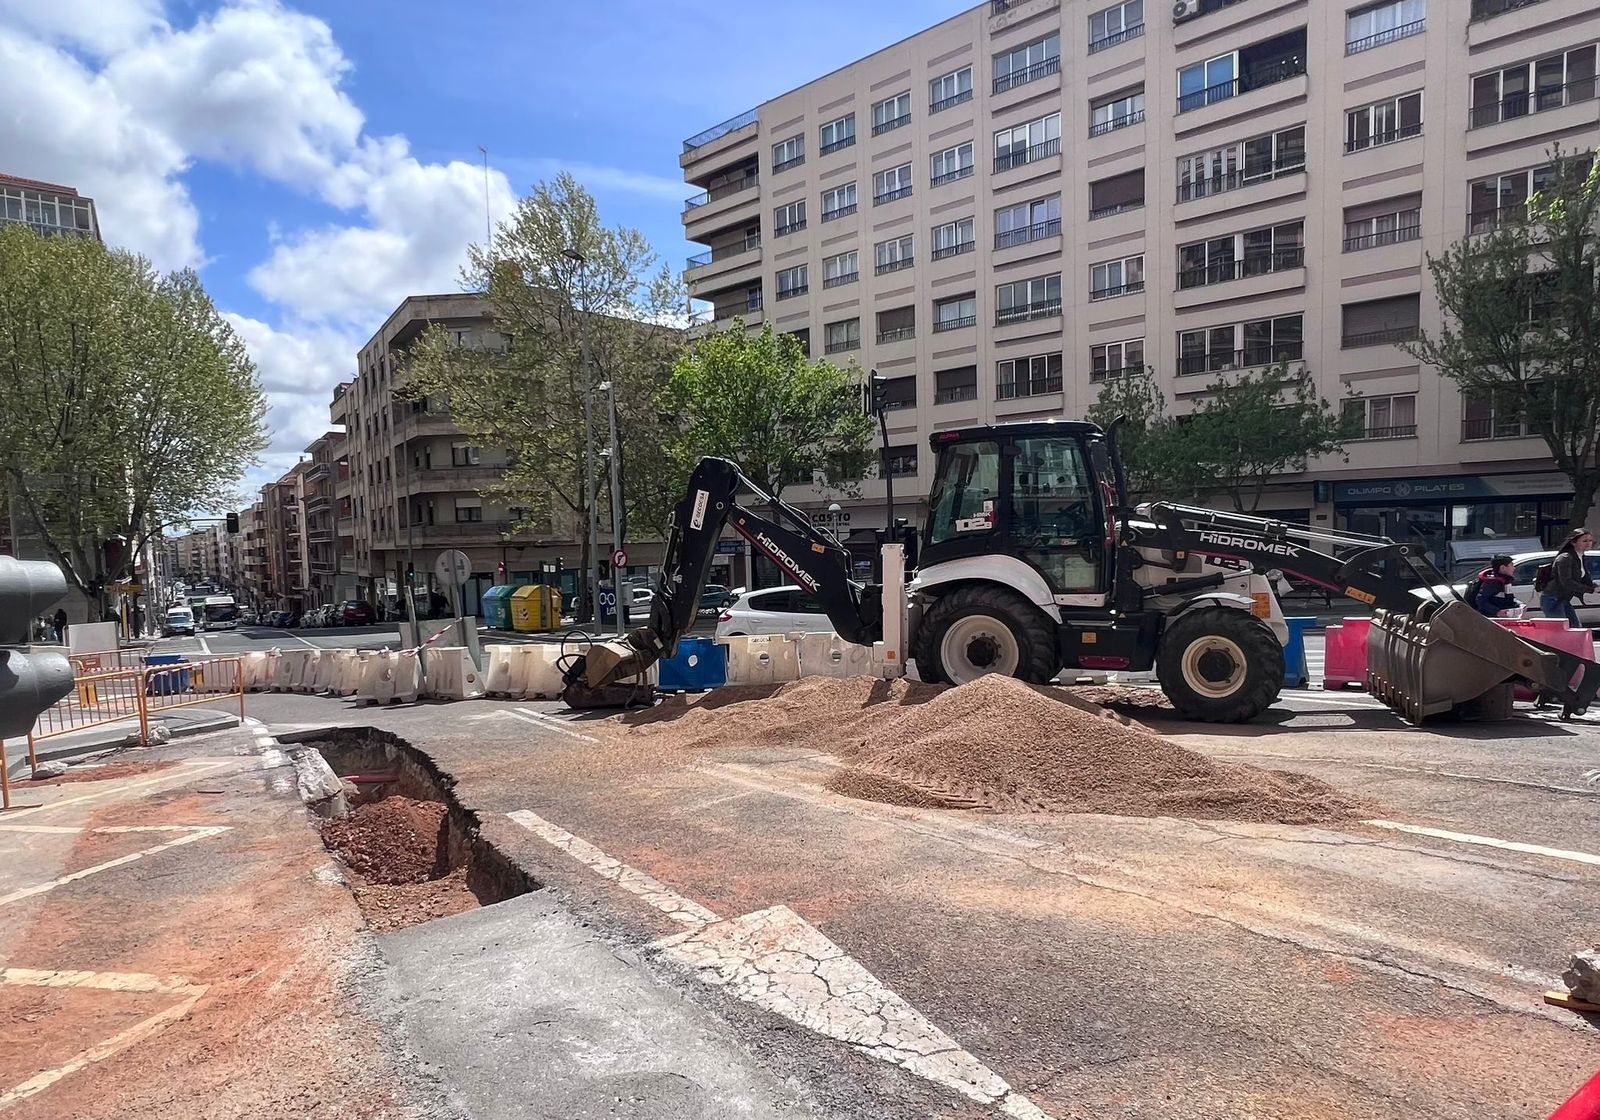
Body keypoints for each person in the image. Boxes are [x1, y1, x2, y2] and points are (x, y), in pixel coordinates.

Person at [1541, 528, 1595, 627]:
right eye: (1584, 541)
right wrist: (1590, 589)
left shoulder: (1580, 556)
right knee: (1561, 630)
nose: (1588, 544)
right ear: (1573, 542)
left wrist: (1594, 587)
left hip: (1563, 599)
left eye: (1590, 540)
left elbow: (1584, 577)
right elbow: (1566, 582)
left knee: (1575, 628)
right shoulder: (1565, 558)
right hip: (1553, 599)